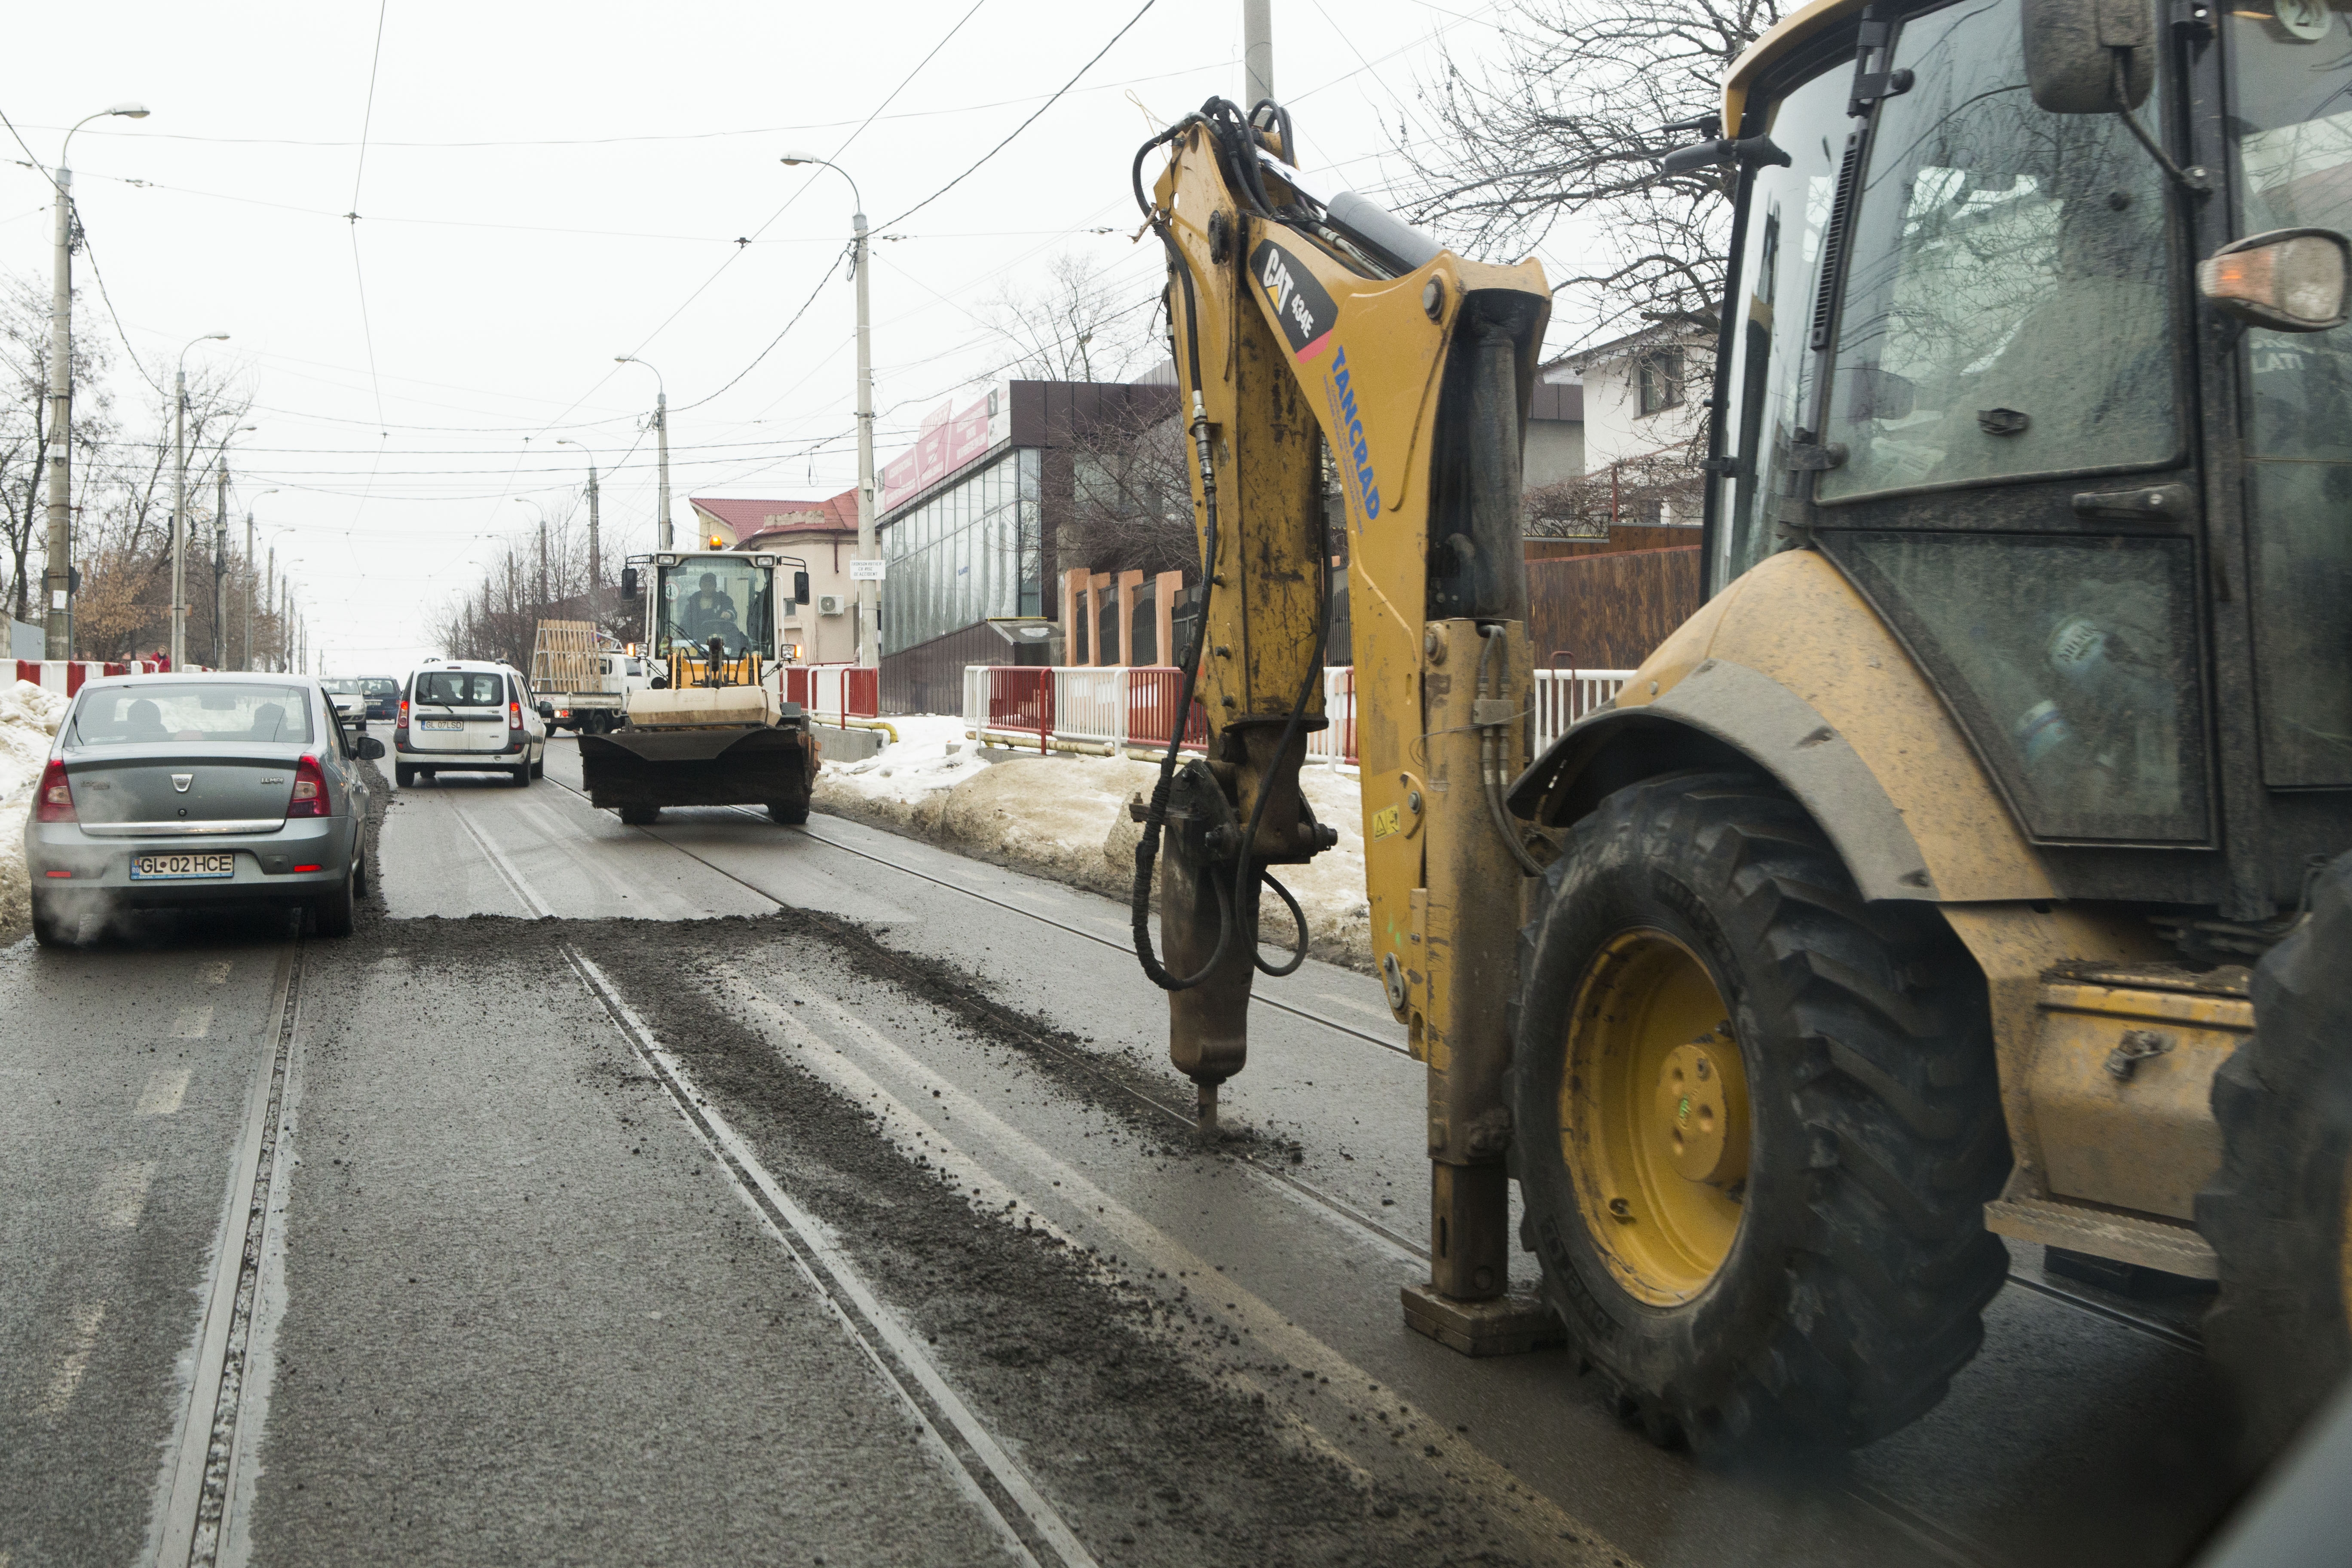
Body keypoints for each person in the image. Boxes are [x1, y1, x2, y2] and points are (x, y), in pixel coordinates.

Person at [677, 572, 739, 642]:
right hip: (697, 641)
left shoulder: (723, 599)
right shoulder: (693, 603)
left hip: (718, 640)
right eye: (705, 585)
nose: (707, 588)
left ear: (715, 586)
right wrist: (679, 634)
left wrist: (729, 614)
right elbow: (685, 622)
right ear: (700, 586)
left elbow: (732, 611)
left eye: (710, 586)